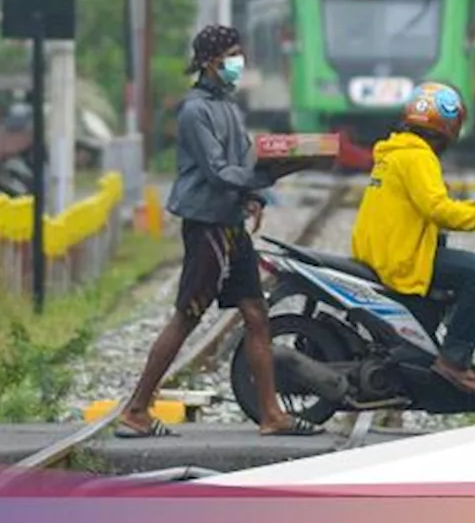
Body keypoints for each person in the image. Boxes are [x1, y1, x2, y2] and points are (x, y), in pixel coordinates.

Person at [115, 24, 321, 438]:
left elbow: (242, 158)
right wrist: (261, 180)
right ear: (210, 62)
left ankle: (270, 414)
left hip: (231, 225)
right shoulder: (195, 111)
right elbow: (217, 170)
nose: (237, 62)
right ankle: (136, 409)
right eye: (231, 55)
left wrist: (256, 195)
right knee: (187, 317)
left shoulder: (227, 106)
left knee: (256, 315)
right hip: (207, 227)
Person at [350, 82, 475, 396]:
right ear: (447, 125)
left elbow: (432, 203)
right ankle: (454, 362)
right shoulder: (419, 158)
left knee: (454, 260)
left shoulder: (396, 150)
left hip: (383, 250)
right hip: (401, 257)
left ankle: (430, 345)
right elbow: (440, 211)